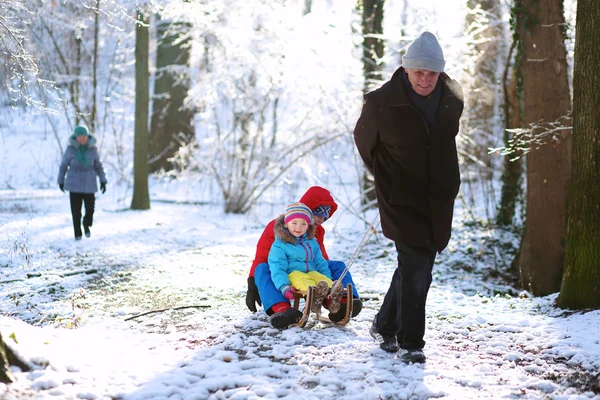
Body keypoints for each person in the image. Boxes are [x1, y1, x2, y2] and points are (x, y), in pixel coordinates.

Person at [353, 31, 464, 363]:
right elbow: (364, 142)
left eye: (432, 72)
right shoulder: (381, 102)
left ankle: (385, 325)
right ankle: (411, 342)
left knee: (415, 264)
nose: (426, 79)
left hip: (438, 198)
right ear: (406, 69)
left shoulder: (452, 97)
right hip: (400, 198)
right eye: (419, 71)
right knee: (418, 267)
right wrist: (389, 176)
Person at [245, 186, 363, 329]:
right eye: (318, 213)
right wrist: (252, 284)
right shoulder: (277, 228)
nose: (322, 219)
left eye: (326, 214)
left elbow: (321, 258)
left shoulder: (316, 230)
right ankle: (281, 309)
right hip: (287, 270)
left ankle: (341, 303)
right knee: (262, 269)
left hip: (311, 269)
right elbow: (263, 255)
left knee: (337, 265)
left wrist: (326, 278)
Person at [268, 202, 344, 316]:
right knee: (304, 281)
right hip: (293, 274)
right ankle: (314, 299)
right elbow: (277, 267)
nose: (298, 227)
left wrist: (327, 277)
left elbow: (320, 262)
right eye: (294, 223)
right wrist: (284, 286)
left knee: (322, 280)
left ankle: (331, 300)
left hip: (312, 272)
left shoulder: (312, 242)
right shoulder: (280, 245)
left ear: (308, 225)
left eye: (303, 224)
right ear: (286, 224)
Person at [57, 125, 107, 240]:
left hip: (89, 184)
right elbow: (64, 166)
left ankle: (86, 224)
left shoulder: (93, 149)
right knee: (76, 212)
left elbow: (98, 166)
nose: (82, 139)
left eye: (84, 136)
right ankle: (78, 234)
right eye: (80, 137)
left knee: (90, 209)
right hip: (74, 184)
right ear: (76, 137)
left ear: (87, 136)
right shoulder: (70, 149)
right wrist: (61, 180)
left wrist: (103, 180)